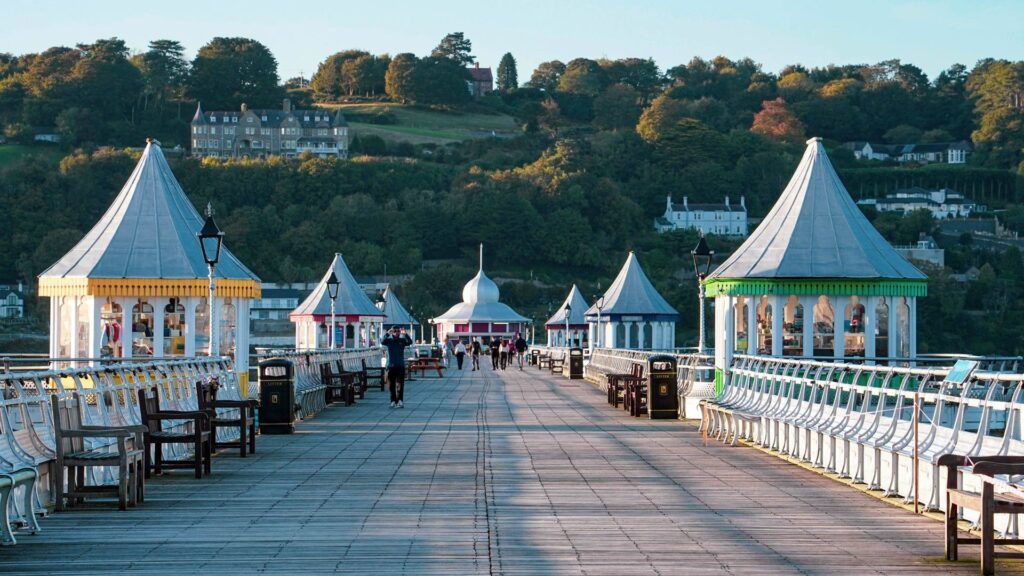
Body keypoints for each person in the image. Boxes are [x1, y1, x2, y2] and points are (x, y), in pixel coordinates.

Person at [382, 327, 413, 408]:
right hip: (391, 365)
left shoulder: (402, 341)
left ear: (399, 332)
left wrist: (405, 334)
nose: (396, 332)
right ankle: (393, 401)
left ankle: (400, 400)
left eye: (398, 331)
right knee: (391, 385)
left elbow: (410, 342)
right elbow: (382, 341)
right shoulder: (389, 341)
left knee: (400, 384)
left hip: (400, 365)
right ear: (392, 332)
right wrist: (387, 333)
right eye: (394, 331)